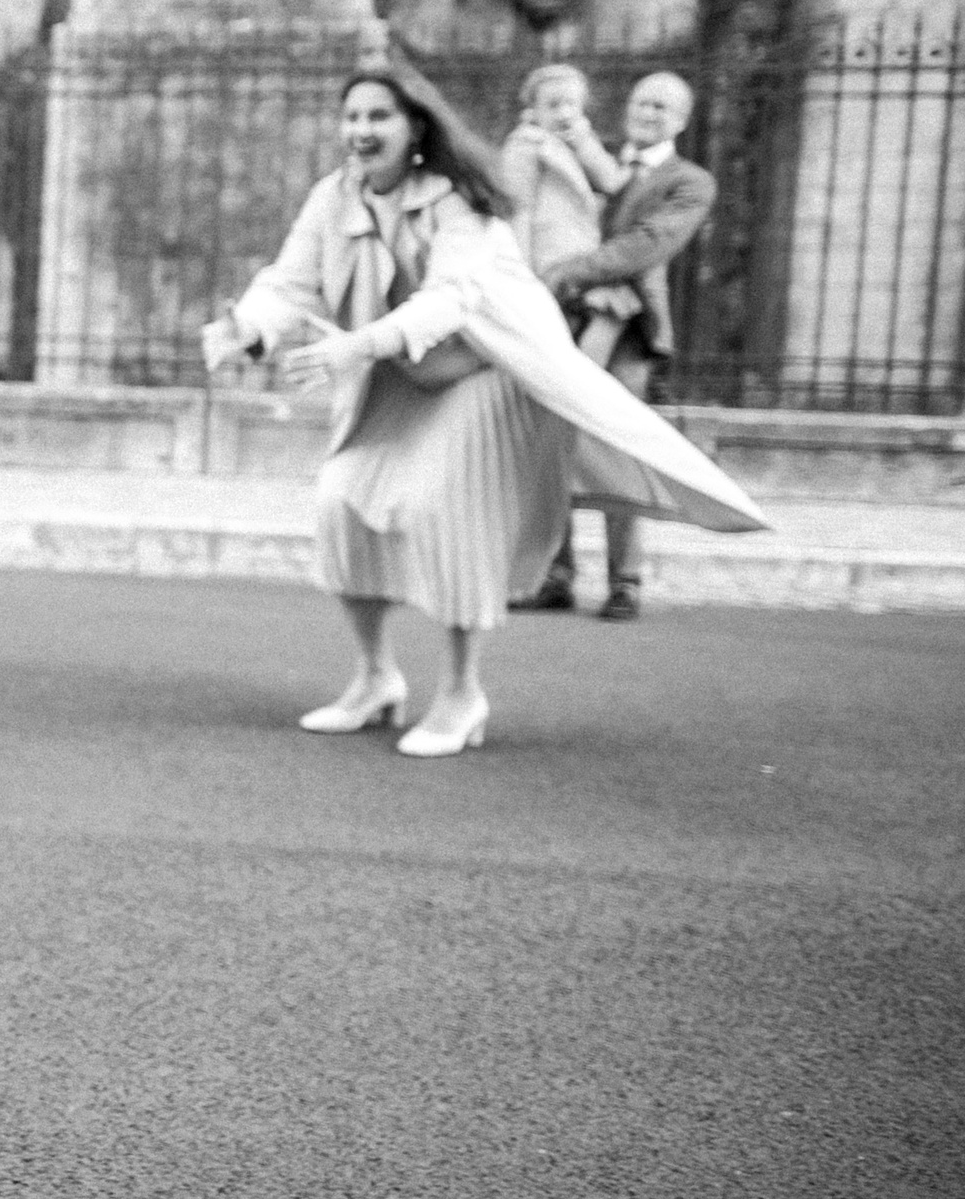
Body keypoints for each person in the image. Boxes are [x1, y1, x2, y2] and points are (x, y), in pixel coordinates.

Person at [201, 67, 765, 758]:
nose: (360, 131)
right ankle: (376, 678)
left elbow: (452, 300)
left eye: (378, 117)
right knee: (340, 501)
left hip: (487, 369)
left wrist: (357, 345)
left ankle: (462, 693)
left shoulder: (460, 203)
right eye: (352, 117)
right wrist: (247, 329)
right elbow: (289, 280)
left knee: (443, 511)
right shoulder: (334, 197)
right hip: (399, 376)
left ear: (416, 129)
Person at [519, 70, 719, 620]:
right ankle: (555, 576)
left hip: (628, 330)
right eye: (640, 102)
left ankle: (624, 582)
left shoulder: (690, 181)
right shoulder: (592, 159)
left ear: (681, 121)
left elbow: (647, 244)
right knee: (553, 439)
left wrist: (565, 272)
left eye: (661, 107)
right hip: (561, 319)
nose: (647, 114)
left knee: (618, 444)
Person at [495, 62, 637, 364]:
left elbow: (612, 181)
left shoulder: (579, 144)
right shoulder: (525, 145)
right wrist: (522, 273)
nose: (564, 113)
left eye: (572, 104)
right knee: (594, 318)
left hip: (580, 254)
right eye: (553, 105)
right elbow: (518, 211)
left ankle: (580, 383)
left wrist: (584, 141)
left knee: (606, 317)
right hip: (546, 257)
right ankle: (576, 384)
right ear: (532, 110)